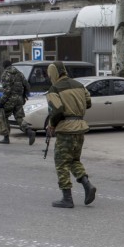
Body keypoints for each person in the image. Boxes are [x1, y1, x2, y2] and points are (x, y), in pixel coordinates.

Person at [45, 61, 97, 208]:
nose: (49, 78)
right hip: (80, 128)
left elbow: (56, 110)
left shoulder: (54, 89)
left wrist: (52, 125)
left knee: (61, 162)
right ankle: (87, 185)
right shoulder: (79, 85)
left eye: (50, 75)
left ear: (54, 74)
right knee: (74, 160)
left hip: (66, 129)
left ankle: (67, 198)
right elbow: (88, 103)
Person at [0, 60, 36, 145]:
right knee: (19, 117)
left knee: (3, 116)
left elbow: (7, 91)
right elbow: (27, 85)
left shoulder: (5, 74)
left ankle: (6, 137)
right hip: (19, 99)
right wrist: (23, 95)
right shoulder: (19, 73)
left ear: (4, 66)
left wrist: (1, 102)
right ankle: (29, 131)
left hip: (10, 100)